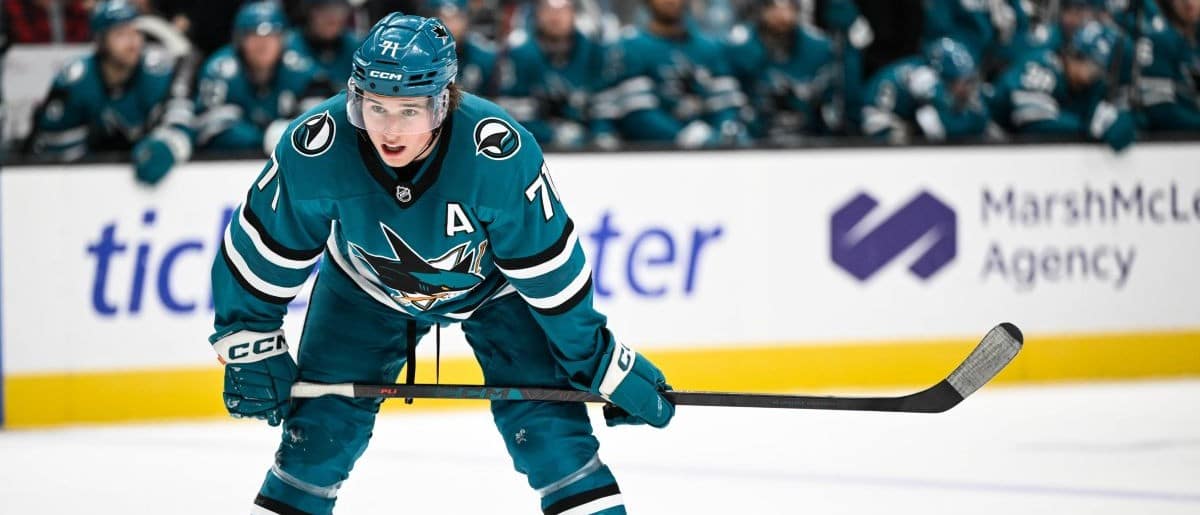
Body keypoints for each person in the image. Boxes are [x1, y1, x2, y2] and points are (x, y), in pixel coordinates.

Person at [209, 13, 675, 515]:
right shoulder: (316, 146)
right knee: (314, 443)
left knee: (552, 438)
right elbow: (258, 252)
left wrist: (596, 360)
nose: (389, 129)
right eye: (375, 107)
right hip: (364, 289)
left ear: (443, 101)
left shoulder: (498, 154)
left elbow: (551, 277)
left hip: (497, 289)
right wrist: (249, 342)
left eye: (410, 110)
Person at [26, 0, 194, 184]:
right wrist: (96, 160)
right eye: (121, 34)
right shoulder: (76, 80)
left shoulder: (157, 71)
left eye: (136, 32)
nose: (133, 42)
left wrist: (167, 146)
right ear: (100, 41)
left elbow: (183, 122)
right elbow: (50, 149)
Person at [595, 0, 748, 148]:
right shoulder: (631, 48)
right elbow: (637, 116)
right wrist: (683, 136)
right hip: (653, 156)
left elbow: (727, 107)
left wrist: (723, 133)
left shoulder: (710, 48)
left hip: (708, 154)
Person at [194, 1, 329, 155]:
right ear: (240, 40)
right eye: (254, 36)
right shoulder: (220, 70)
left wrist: (292, 134)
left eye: (272, 36)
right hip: (229, 165)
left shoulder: (300, 68)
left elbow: (321, 122)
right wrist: (265, 138)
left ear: (283, 39)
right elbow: (209, 130)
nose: (263, 45)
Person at [724, 0, 863, 142]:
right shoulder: (738, 49)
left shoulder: (820, 49)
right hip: (757, 142)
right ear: (761, 10)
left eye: (789, 7)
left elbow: (838, 112)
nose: (783, 16)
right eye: (775, 8)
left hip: (811, 143)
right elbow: (730, 110)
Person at [989, 20, 1136, 151]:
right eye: (1077, 56)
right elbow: (1036, 125)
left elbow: (1124, 124)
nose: (1087, 69)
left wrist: (1118, 122)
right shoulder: (1041, 67)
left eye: (1095, 65)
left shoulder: (1095, 85)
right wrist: (1086, 128)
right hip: (991, 143)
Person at [494, 0, 610, 148]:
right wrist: (551, 134)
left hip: (587, 144)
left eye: (562, 10)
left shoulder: (594, 51)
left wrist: (600, 133)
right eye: (548, 10)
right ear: (537, 14)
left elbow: (604, 103)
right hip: (537, 146)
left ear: (573, 14)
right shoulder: (519, 53)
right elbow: (514, 115)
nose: (555, 17)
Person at [860, 37, 992, 143]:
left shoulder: (932, 74)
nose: (968, 88)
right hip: (880, 119)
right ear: (945, 77)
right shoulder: (925, 78)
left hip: (904, 116)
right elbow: (937, 129)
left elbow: (981, 119)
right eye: (963, 82)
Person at [1138, 0, 1200, 131]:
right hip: (1173, 144)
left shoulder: (1194, 36)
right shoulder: (1158, 38)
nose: (1189, 2)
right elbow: (1161, 111)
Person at [427, 0, 499, 96]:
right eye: (443, 19)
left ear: (467, 20)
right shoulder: (420, 57)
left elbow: (493, 99)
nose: (451, 26)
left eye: (457, 18)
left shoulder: (485, 56)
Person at [285, 0, 359, 88]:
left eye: (338, 10)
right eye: (324, 11)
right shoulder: (291, 42)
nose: (332, 18)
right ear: (310, 13)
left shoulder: (354, 45)